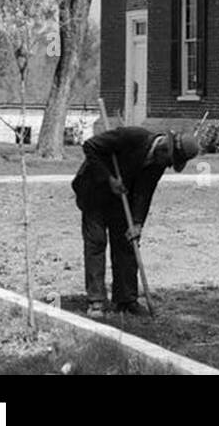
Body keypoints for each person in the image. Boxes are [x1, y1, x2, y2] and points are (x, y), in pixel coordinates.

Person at [71, 125, 201, 317]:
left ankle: (126, 300)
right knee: (96, 243)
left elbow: (145, 192)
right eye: (170, 161)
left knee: (126, 243)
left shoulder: (158, 163)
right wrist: (109, 178)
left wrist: (138, 222)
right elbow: (90, 146)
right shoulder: (131, 136)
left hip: (122, 199)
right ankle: (96, 301)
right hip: (95, 191)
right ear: (164, 148)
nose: (168, 166)